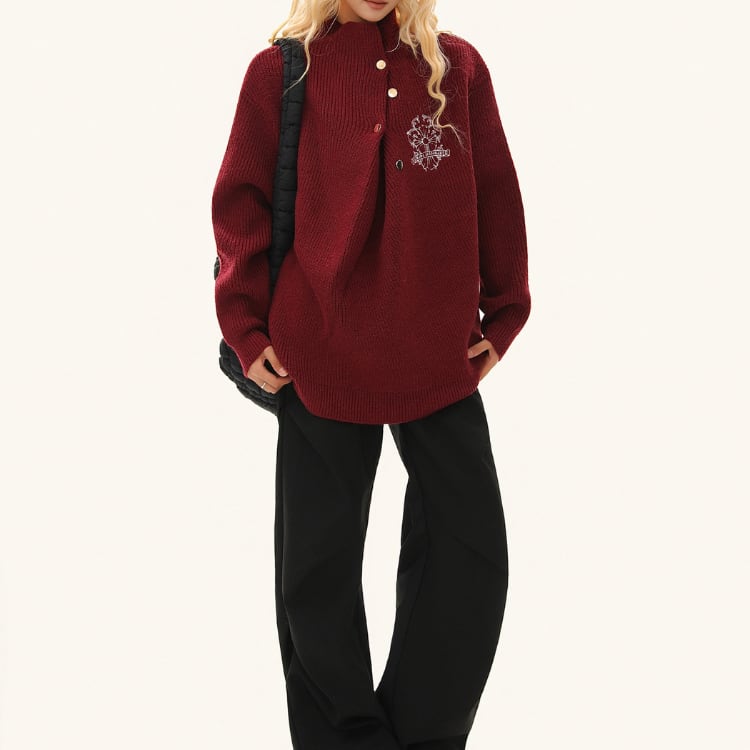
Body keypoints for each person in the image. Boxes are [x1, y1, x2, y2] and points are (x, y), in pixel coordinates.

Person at [212, 1, 531, 748]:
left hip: (437, 355)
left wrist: (505, 313)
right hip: (316, 352)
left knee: (472, 557)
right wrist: (245, 326)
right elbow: (240, 205)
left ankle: (420, 736)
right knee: (315, 575)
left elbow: (496, 191)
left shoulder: (458, 67)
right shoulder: (280, 74)